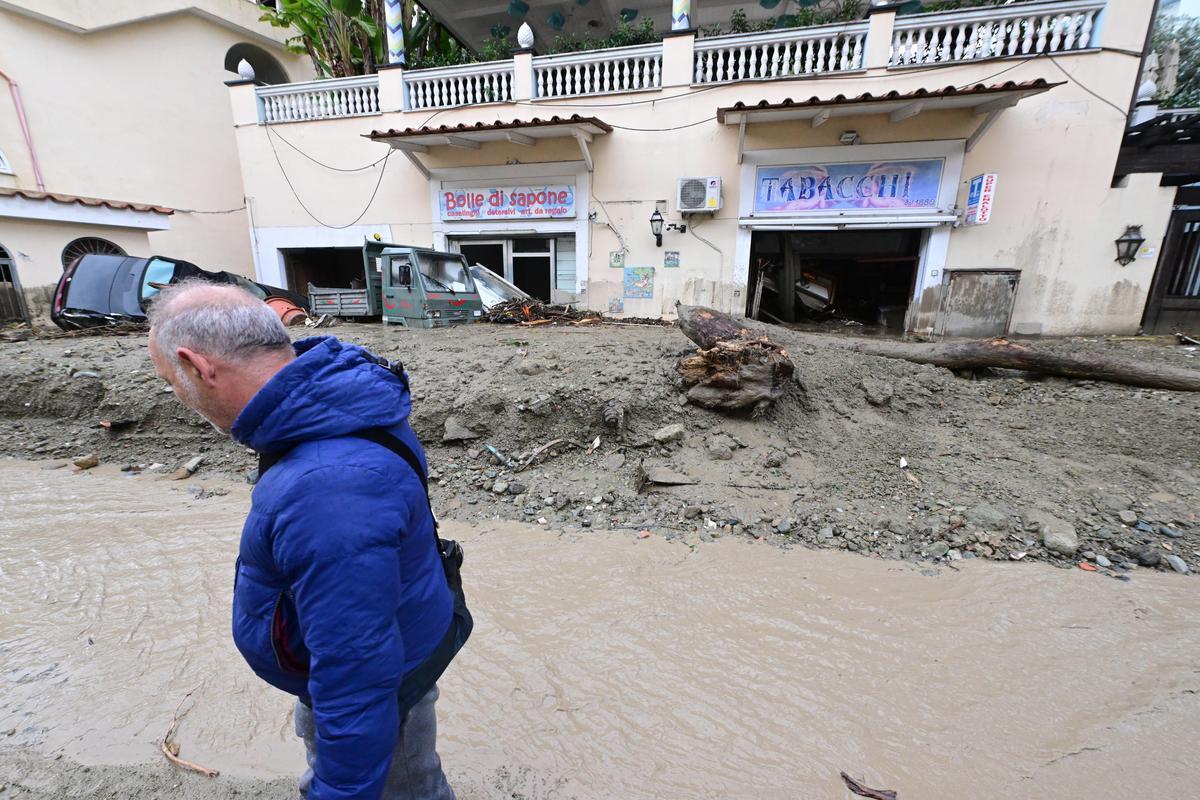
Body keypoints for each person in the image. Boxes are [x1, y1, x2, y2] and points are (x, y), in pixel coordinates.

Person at [147, 280, 467, 800]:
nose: (178, 395)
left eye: (171, 381)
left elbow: (356, 674)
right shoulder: (330, 399)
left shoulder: (326, 483)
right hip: (401, 639)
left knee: (404, 785)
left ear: (198, 366)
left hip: (383, 685)